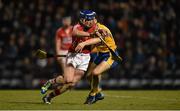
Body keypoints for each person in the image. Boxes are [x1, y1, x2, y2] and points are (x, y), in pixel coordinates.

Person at [41, 10, 103, 104]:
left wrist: (100, 36)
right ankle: (51, 81)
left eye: (92, 19)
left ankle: (49, 97)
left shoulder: (95, 27)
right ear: (82, 20)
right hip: (73, 56)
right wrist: (90, 35)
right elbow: (75, 33)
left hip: (85, 58)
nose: (91, 21)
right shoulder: (77, 27)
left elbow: (99, 39)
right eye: (89, 19)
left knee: (71, 84)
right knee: (68, 80)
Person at [75, 13, 120, 104]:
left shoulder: (101, 29)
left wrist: (84, 43)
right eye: (84, 20)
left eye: (87, 20)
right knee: (88, 76)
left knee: (95, 73)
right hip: (100, 54)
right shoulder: (91, 29)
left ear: (94, 20)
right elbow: (93, 45)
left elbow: (98, 40)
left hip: (110, 55)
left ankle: (92, 95)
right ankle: (98, 93)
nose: (85, 22)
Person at [41, 16, 73, 94]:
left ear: (70, 21)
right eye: (65, 20)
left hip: (72, 54)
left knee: (67, 78)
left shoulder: (74, 29)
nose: (66, 22)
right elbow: (58, 43)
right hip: (62, 53)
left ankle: (50, 82)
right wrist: (58, 54)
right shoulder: (59, 31)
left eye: (67, 20)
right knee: (67, 77)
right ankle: (50, 93)